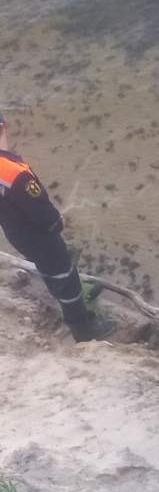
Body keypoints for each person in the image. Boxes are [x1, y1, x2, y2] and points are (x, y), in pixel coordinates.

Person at [0, 113, 107, 341]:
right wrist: (58, 222)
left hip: (16, 232)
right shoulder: (13, 172)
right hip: (39, 235)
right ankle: (83, 330)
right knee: (62, 274)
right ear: (4, 127)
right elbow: (41, 214)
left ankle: (72, 301)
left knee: (52, 269)